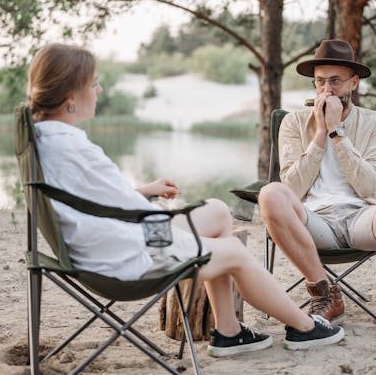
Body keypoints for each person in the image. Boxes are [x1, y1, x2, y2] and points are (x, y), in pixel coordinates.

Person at [26, 42, 344, 358]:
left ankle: (228, 332)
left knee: (218, 212)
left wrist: (146, 192)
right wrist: (163, 215)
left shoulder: (48, 138)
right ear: (70, 100)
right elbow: (125, 209)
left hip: (107, 240)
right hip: (124, 255)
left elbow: (91, 199)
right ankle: (305, 327)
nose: (100, 89)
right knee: (233, 250)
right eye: (93, 83)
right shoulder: (76, 148)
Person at [257, 39, 376, 354]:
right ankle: (325, 294)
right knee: (271, 193)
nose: (326, 89)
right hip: (313, 221)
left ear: (353, 83)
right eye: (320, 81)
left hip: (362, 217)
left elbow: (370, 186)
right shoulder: (294, 122)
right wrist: (318, 133)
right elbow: (292, 187)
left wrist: (337, 133)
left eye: (335, 81)